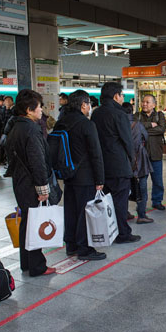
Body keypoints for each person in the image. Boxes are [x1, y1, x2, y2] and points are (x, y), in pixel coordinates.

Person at [5, 90, 57, 276]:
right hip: (31, 184)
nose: (41, 110)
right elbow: (37, 161)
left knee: (27, 222)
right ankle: (37, 266)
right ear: (29, 110)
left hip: (19, 182)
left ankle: (26, 262)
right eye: (39, 107)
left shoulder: (14, 127)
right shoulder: (32, 129)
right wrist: (43, 188)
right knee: (35, 223)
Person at [54, 90, 106, 260]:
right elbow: (95, 153)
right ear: (84, 105)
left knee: (71, 210)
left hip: (68, 174)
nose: (90, 107)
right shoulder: (86, 124)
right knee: (84, 213)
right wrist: (100, 179)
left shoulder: (61, 122)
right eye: (89, 104)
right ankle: (85, 249)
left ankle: (71, 245)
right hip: (85, 176)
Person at [91, 82, 140, 243]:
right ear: (116, 96)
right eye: (122, 95)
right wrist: (132, 159)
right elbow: (127, 141)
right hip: (119, 164)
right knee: (120, 201)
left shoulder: (96, 113)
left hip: (102, 165)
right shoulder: (119, 114)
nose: (122, 98)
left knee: (107, 200)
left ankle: (109, 230)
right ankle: (122, 233)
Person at [134, 94, 166, 210]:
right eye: (143, 102)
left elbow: (161, 129)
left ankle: (157, 201)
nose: (144, 104)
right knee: (142, 182)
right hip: (142, 155)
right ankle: (141, 204)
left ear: (154, 104)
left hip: (156, 153)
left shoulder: (159, 115)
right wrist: (149, 125)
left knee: (158, 180)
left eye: (147, 102)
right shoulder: (137, 116)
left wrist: (144, 131)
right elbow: (135, 128)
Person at [124, 102, 153, 223]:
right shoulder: (138, 125)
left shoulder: (120, 125)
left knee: (124, 189)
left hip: (125, 161)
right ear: (132, 111)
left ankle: (124, 213)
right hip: (140, 160)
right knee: (142, 188)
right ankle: (141, 215)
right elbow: (145, 137)